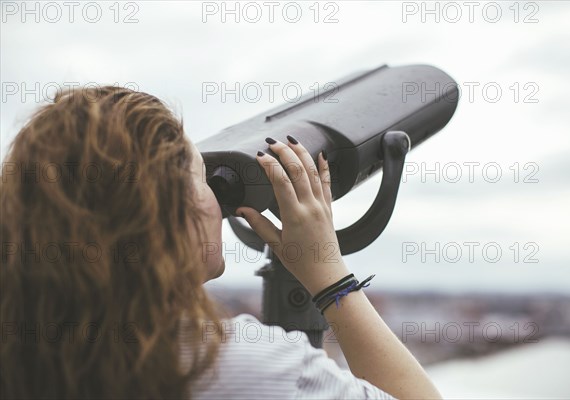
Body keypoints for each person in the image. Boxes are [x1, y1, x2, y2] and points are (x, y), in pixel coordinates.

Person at [0, 86, 441, 399]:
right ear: (166, 212)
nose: (218, 198)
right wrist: (326, 272)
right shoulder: (239, 368)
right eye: (201, 178)